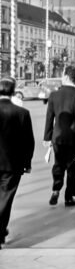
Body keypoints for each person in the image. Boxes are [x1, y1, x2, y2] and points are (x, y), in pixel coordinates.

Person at [43, 65, 75, 207]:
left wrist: (47, 137)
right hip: (74, 138)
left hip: (58, 137)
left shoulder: (54, 95)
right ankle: (69, 196)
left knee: (58, 163)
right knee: (72, 168)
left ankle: (56, 188)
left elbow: (49, 117)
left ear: (66, 77)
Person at [0, 77, 35, 249]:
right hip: (12, 165)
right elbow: (28, 141)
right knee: (5, 198)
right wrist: (27, 163)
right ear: (13, 91)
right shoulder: (22, 113)